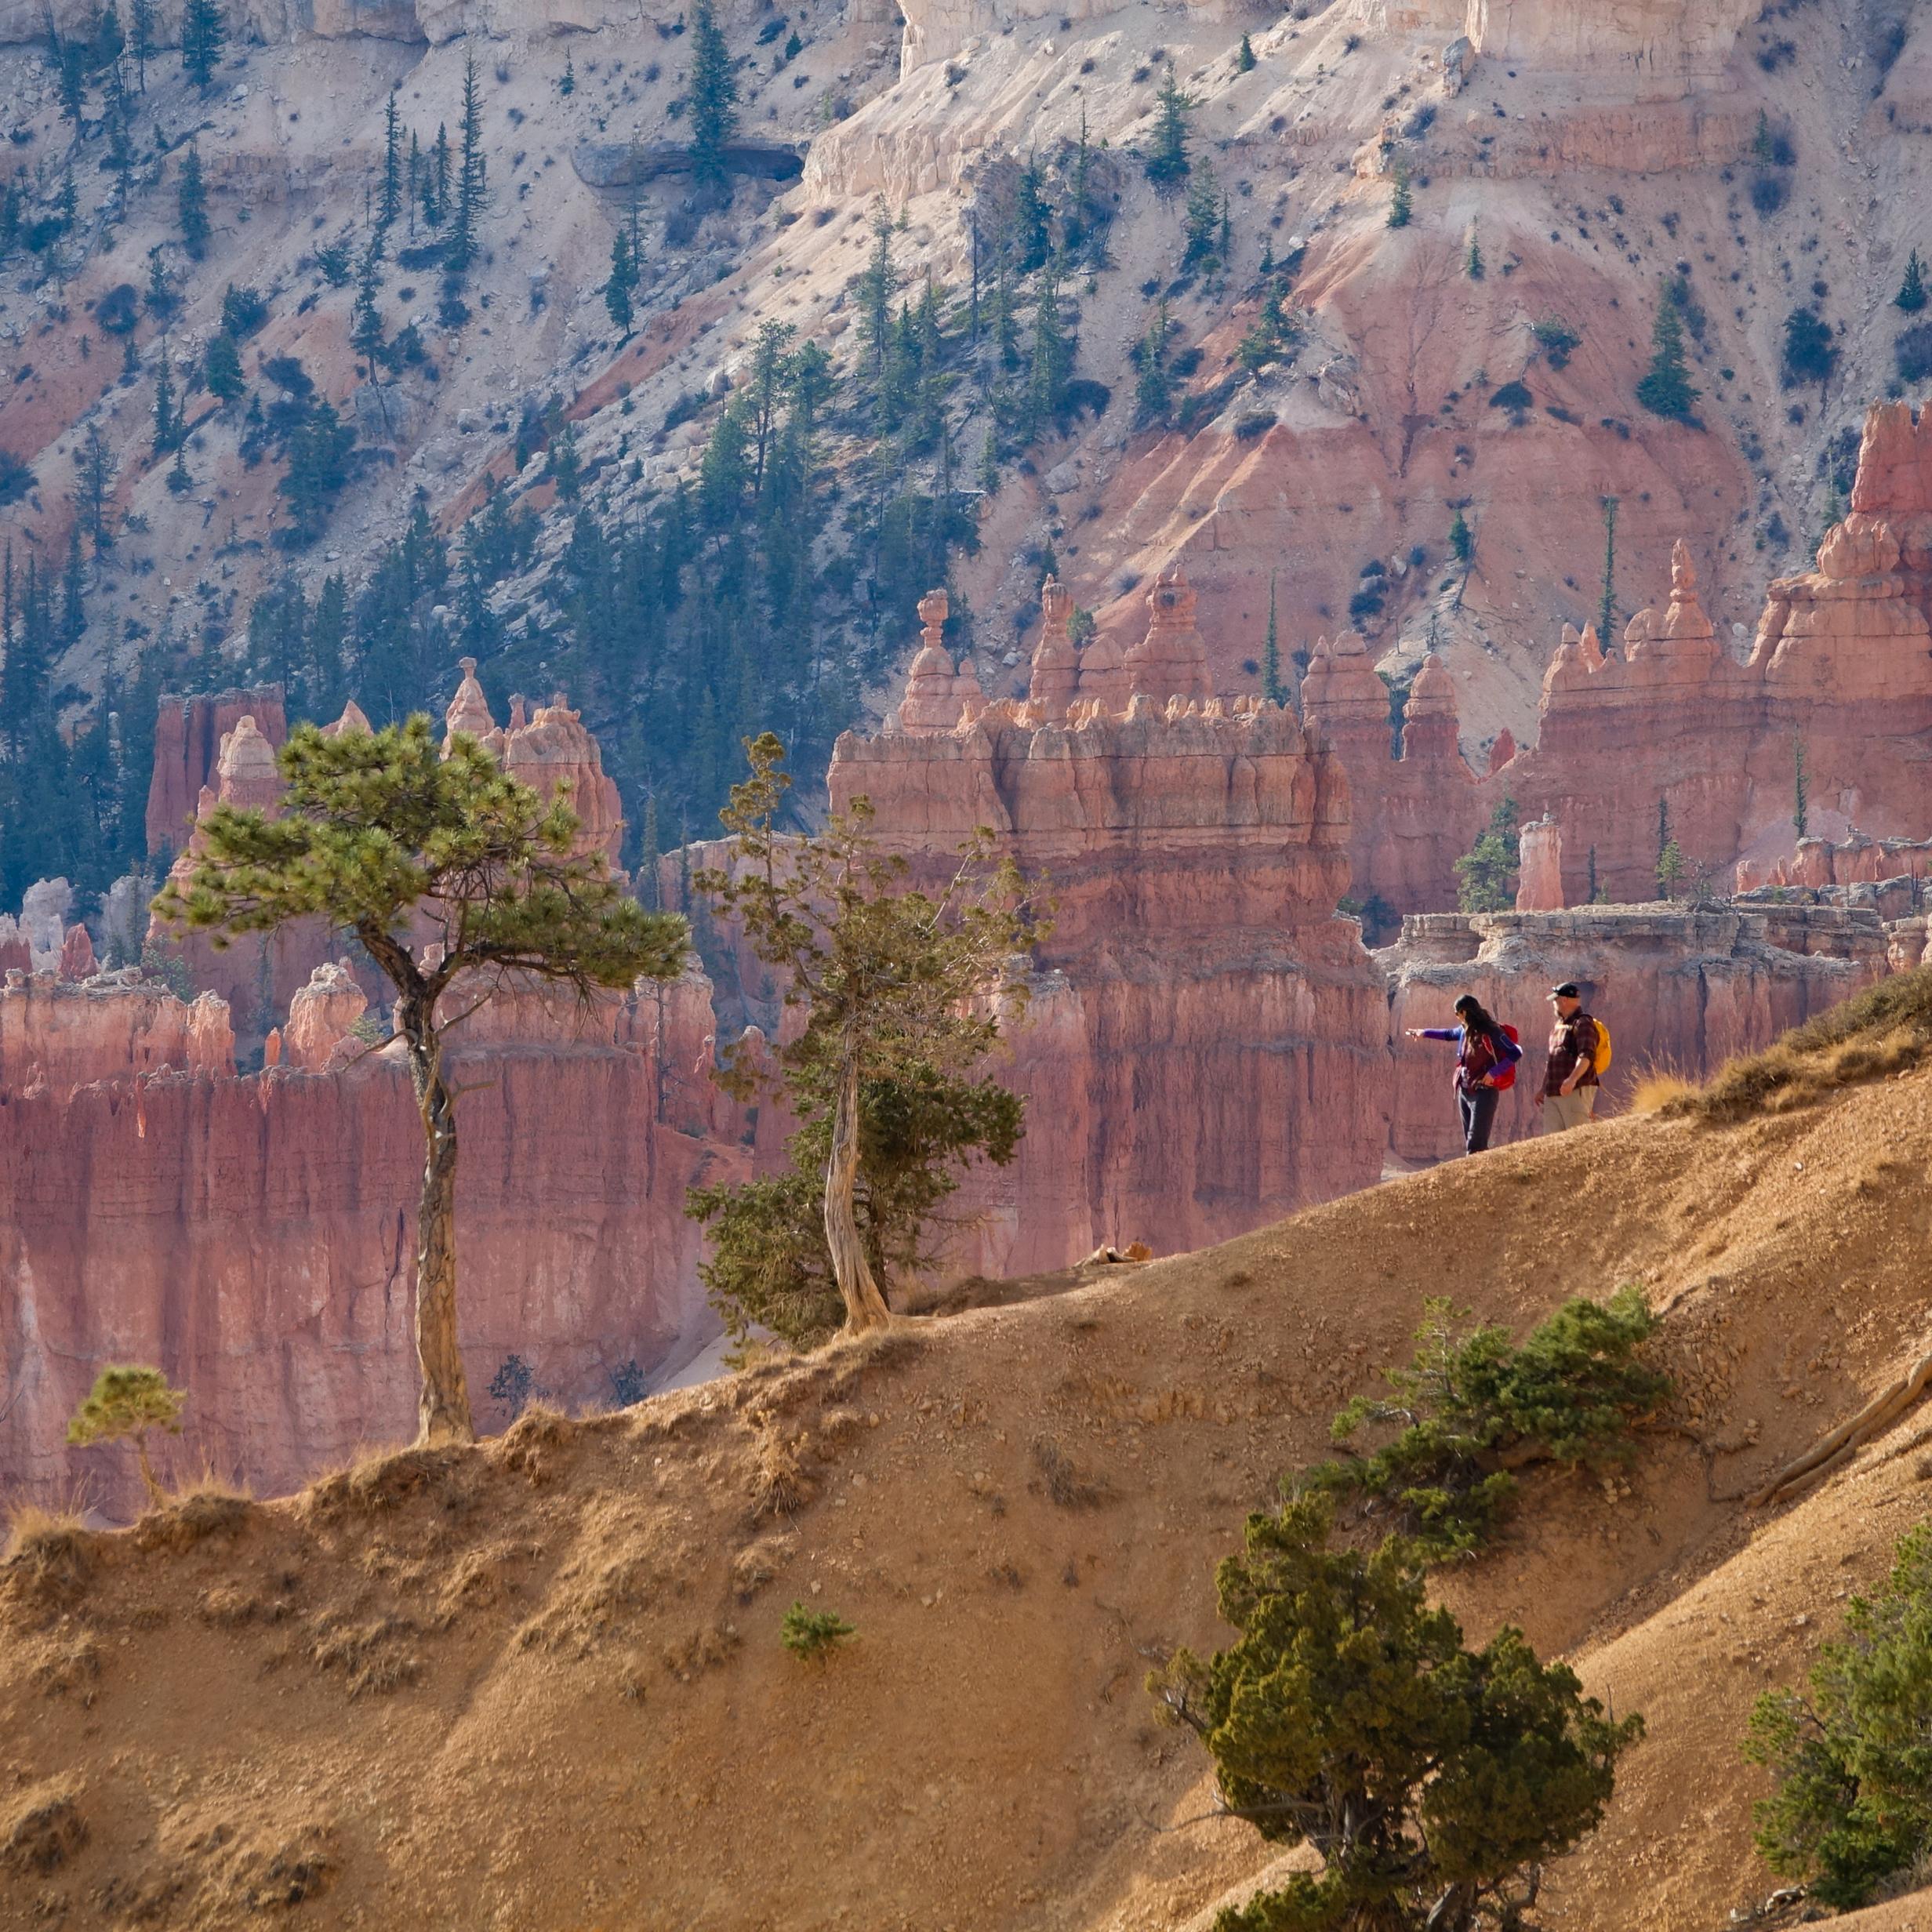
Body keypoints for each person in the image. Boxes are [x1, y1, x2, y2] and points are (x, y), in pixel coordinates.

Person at [1405, 993, 1523, 1155]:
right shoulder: (1464, 1030)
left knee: (1476, 1145)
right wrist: (1423, 1033)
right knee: (1471, 1143)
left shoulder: (1491, 1031)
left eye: (1456, 1013)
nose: (1456, 1017)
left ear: (1464, 1012)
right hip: (1465, 1093)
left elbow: (1515, 1053)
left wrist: (1494, 1073)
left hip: (1484, 1093)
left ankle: (1482, 1177)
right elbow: (1447, 1034)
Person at [1535, 981, 1601, 1133]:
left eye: (1555, 1000)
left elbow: (1586, 1055)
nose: (1554, 1004)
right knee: (1551, 1141)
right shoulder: (1558, 1027)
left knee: (1577, 1138)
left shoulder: (1583, 1023)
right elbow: (1552, 1060)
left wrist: (1572, 1080)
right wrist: (1543, 1088)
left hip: (1575, 1090)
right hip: (1553, 1092)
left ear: (1564, 1000)